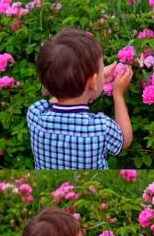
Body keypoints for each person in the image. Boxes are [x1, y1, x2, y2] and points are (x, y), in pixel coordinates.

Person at [28, 28, 133, 169]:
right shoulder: (101, 128)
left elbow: (59, 97)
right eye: (101, 69)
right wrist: (118, 94)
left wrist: (93, 84)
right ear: (93, 81)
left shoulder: (35, 114)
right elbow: (125, 140)